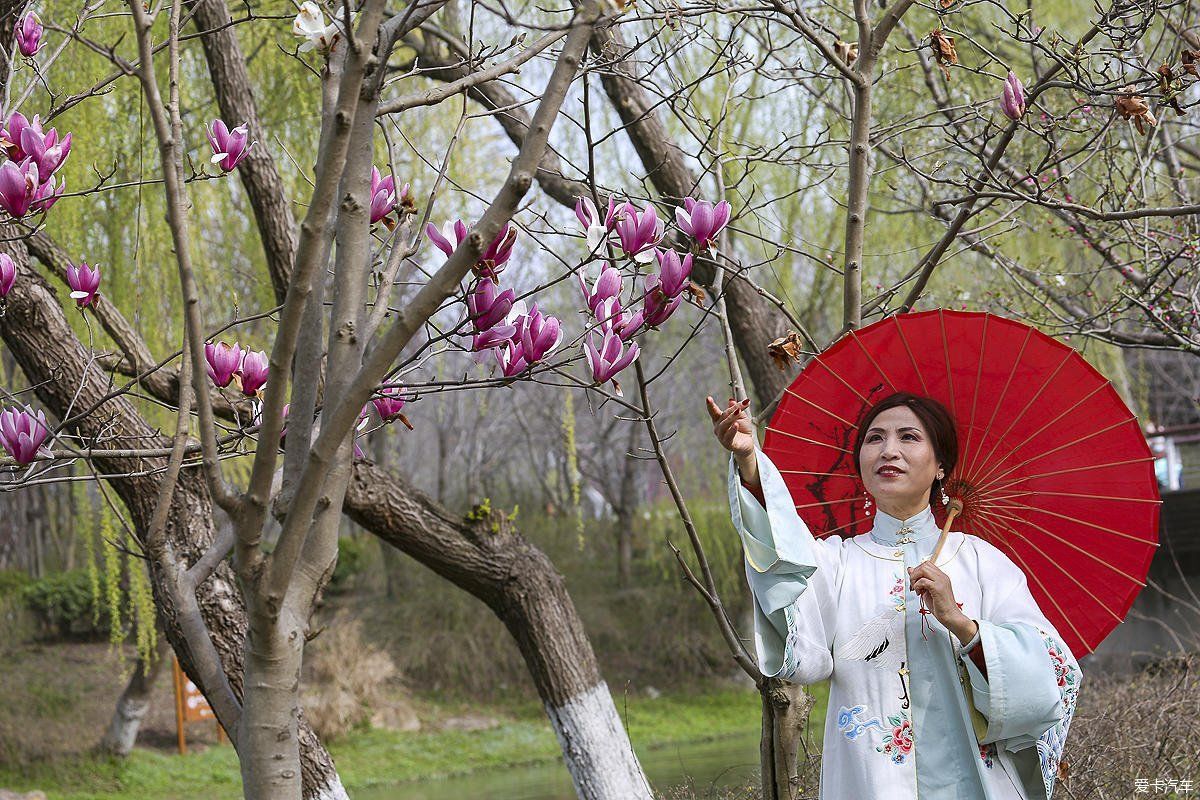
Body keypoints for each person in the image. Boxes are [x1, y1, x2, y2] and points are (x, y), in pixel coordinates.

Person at [706, 391, 1082, 800]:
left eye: (908, 437)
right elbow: (785, 565)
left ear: (940, 466)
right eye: (874, 439)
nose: (889, 450)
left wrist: (961, 623)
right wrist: (749, 462)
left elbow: (1049, 679)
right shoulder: (838, 564)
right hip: (872, 782)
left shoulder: (981, 562)